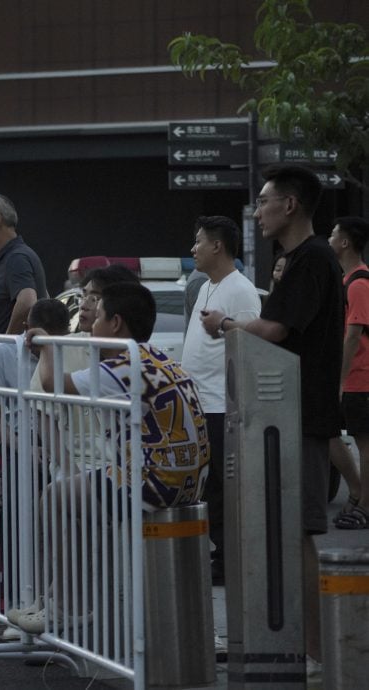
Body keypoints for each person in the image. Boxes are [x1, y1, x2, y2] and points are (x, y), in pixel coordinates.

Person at [201, 164, 342, 668]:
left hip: (299, 412)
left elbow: (277, 331)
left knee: (300, 531)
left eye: (263, 201)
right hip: (284, 414)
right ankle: (296, 647)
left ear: (290, 205)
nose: (256, 211)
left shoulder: (312, 258)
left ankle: (319, 655)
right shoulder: (296, 260)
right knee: (284, 529)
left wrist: (226, 324)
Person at [16, 282, 209, 633]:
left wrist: (44, 347)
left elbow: (51, 383)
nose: (89, 324)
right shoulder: (159, 357)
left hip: (154, 483)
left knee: (55, 498)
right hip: (187, 481)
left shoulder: (123, 364)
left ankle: (65, 607)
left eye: (98, 315)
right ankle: (67, 601)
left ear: (116, 322)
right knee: (77, 496)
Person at [180, 215, 261, 583]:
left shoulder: (241, 289)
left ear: (217, 246)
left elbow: (250, 345)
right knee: (206, 485)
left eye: (198, 242)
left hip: (221, 405)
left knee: (221, 486)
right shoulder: (205, 287)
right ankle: (219, 554)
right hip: (199, 403)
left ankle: (229, 560)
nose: (193, 249)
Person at [327, 216, 369, 528]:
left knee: (365, 444)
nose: (329, 239)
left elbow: (353, 335)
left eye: (333, 234)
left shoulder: (358, 283)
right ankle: (359, 498)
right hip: (354, 377)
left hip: (360, 378)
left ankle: (364, 506)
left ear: (345, 243)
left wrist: (339, 380)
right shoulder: (348, 281)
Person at [0, 193, 48, 335]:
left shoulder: (16, 257)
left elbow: (27, 302)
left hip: (6, 355)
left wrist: (6, 343)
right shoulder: (16, 255)